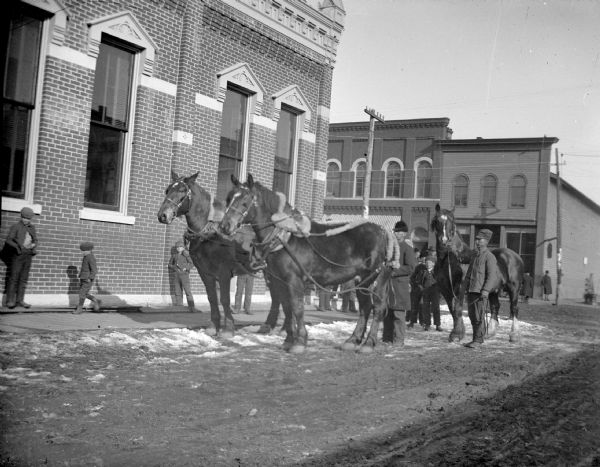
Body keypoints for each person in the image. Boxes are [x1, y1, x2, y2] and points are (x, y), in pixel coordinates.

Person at [383, 220, 417, 345]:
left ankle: (399, 340)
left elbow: (411, 267)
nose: (396, 234)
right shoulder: (389, 247)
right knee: (387, 313)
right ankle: (387, 339)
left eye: (399, 232)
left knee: (398, 315)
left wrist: (395, 271)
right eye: (395, 232)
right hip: (387, 286)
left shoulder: (407, 249)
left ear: (404, 234)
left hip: (400, 287)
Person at [463, 229, 497, 348]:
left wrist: (486, 290)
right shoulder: (475, 256)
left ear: (486, 241)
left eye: (480, 239)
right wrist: (463, 289)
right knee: (473, 316)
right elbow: (468, 274)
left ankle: (478, 340)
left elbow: (492, 276)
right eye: (476, 239)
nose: (477, 241)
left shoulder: (490, 257)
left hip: (480, 292)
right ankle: (475, 339)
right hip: (472, 290)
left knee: (479, 316)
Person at [4, 207, 38, 309]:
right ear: (21, 216)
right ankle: (10, 301)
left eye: (28, 218)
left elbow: (35, 239)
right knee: (14, 278)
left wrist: (34, 245)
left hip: (28, 255)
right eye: (24, 217)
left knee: (23, 278)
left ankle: (20, 300)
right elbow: (8, 240)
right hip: (18, 255)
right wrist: (18, 247)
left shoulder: (32, 227)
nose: (26, 220)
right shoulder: (16, 226)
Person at [168, 240, 199, 312]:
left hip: (184, 275)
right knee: (177, 290)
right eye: (177, 247)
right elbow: (169, 264)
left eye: (180, 247)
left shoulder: (186, 255)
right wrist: (174, 268)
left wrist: (186, 268)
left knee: (187, 291)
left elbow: (192, 264)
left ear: (183, 248)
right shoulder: (174, 255)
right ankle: (179, 306)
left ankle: (191, 307)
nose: (179, 248)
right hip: (176, 275)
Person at [73, 242, 101, 314]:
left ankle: (79, 309)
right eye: (82, 251)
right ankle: (95, 300)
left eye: (84, 251)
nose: (83, 253)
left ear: (89, 250)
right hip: (83, 278)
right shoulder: (86, 257)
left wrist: (90, 278)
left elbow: (94, 270)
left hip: (87, 279)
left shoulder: (91, 257)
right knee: (84, 293)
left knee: (82, 293)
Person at [420, 255, 442, 332]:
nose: (428, 264)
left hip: (435, 292)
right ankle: (427, 324)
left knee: (436, 308)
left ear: (433, 264)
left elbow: (441, 282)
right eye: (426, 262)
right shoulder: (423, 272)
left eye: (429, 262)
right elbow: (418, 281)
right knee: (426, 308)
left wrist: (439, 291)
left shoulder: (436, 272)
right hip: (425, 292)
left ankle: (438, 324)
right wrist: (421, 288)